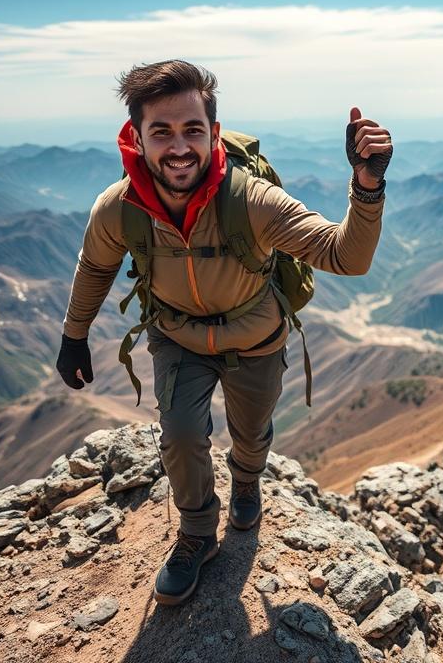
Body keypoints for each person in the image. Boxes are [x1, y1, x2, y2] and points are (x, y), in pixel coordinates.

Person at [55, 59, 391, 605]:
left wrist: (367, 185)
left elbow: (343, 256)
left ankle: (247, 480)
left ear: (213, 133)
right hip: (178, 338)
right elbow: (95, 267)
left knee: (252, 435)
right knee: (182, 434)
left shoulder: (251, 199)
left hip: (256, 338)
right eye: (161, 131)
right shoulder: (119, 209)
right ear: (136, 138)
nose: (179, 146)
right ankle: (194, 534)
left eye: (192, 130)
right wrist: (74, 335)